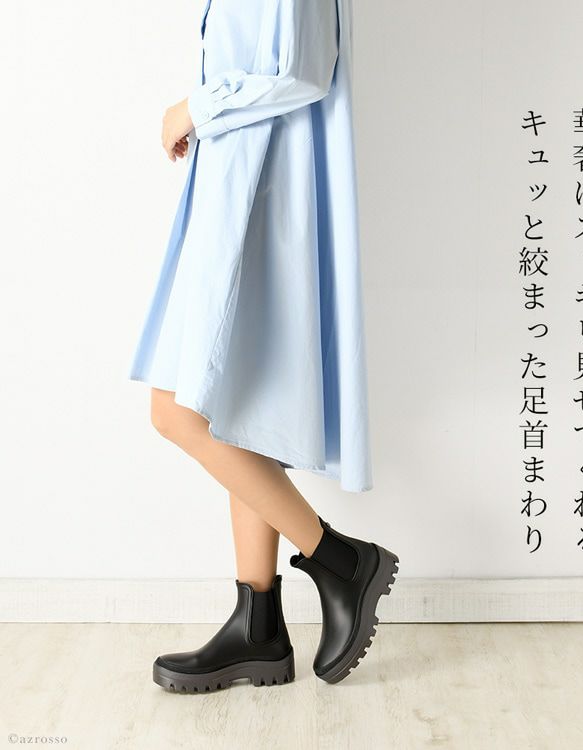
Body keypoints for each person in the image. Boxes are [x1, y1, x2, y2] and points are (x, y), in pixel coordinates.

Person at [127, 0, 399, 689]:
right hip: (236, 193)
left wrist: (195, 108)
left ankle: (341, 563)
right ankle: (259, 628)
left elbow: (303, 71)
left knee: (177, 410)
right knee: (233, 411)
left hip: (262, 200)